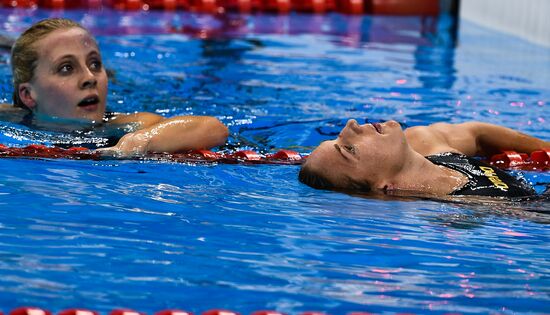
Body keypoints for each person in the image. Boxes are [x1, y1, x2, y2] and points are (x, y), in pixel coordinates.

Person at [1, 18, 228, 154]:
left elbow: (213, 128)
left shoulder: (123, 126)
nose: (90, 77)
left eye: (95, 64)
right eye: (66, 68)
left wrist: (141, 141)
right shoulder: (10, 120)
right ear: (28, 95)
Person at [299, 119, 549, 198]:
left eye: (337, 136)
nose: (350, 125)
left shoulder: (425, 142)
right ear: (385, 187)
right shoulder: (463, 209)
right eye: (349, 149)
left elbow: (477, 133)